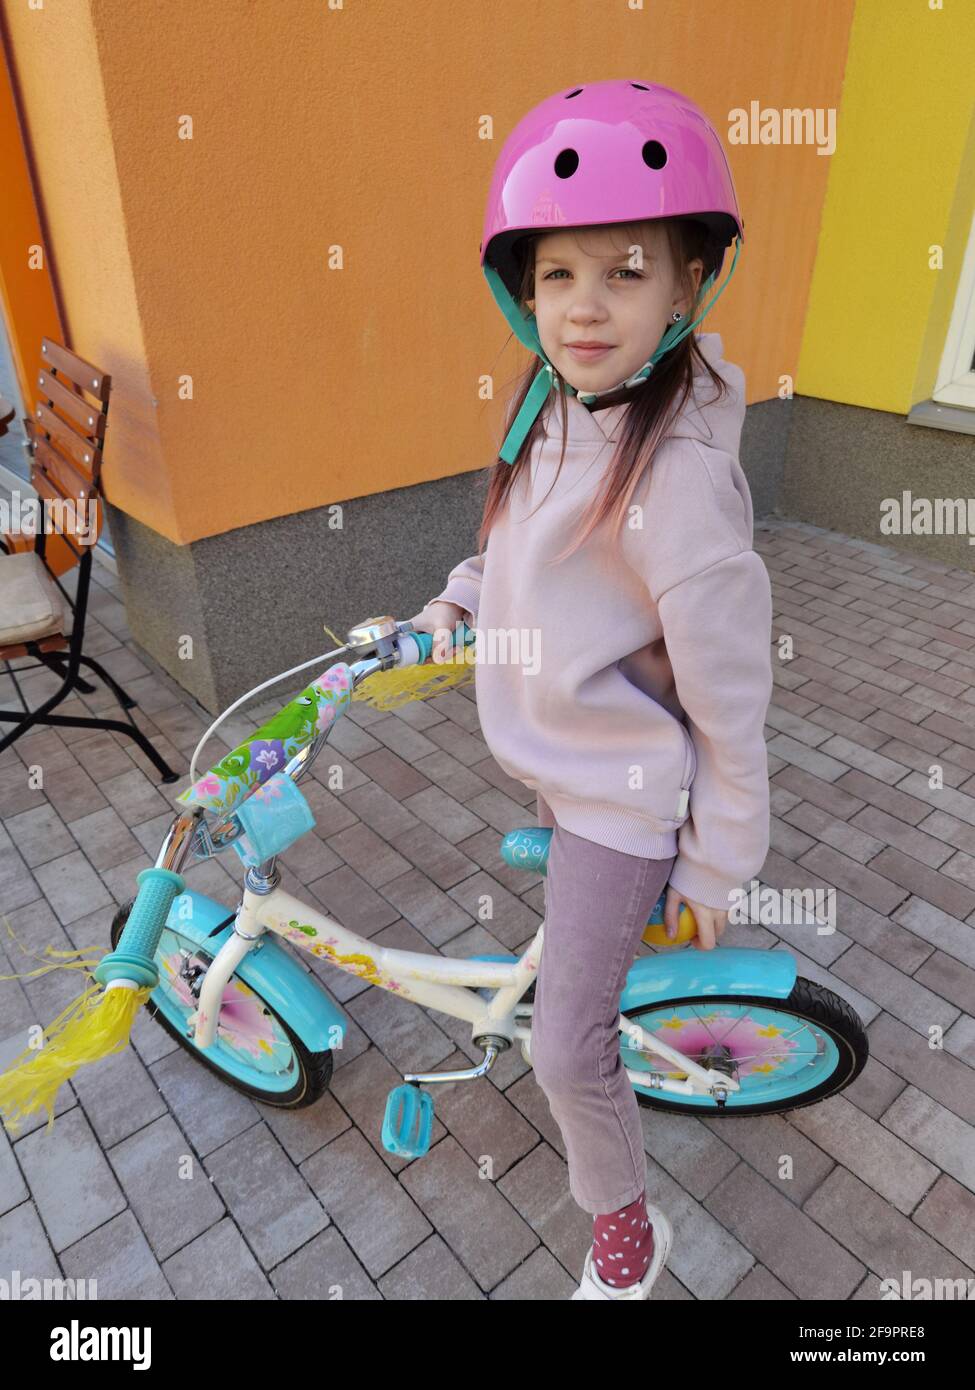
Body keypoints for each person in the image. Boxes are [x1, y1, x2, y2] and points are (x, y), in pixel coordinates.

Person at [410, 79, 772, 1300]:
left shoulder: (676, 481)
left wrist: (716, 865)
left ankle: (626, 1228)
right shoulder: (552, 406)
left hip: (620, 791)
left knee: (565, 1049)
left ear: (687, 285)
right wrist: (453, 607)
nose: (584, 307)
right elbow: (515, 546)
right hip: (552, 750)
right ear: (522, 289)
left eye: (626, 272)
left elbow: (731, 701)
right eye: (557, 275)